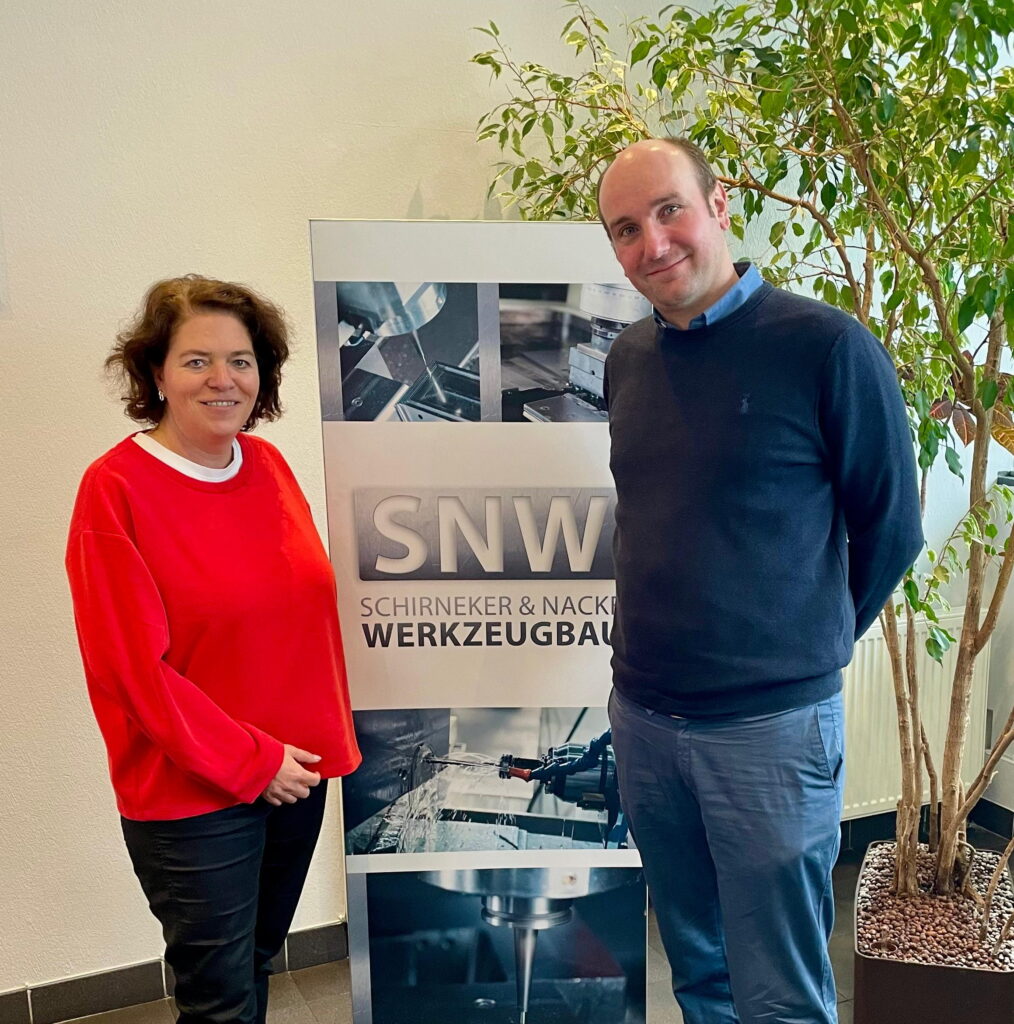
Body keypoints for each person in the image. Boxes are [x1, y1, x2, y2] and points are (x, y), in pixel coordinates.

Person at [599, 139, 923, 1024]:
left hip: (771, 733)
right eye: (625, 229)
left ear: (720, 205)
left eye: (669, 210)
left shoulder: (827, 347)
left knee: (780, 992)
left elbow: (892, 528)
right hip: (645, 721)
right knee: (699, 969)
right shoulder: (627, 358)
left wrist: (800, 646)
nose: (652, 243)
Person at [66, 275, 361, 1024]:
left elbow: (297, 616)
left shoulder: (266, 466)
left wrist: (303, 754)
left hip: (296, 776)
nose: (222, 379)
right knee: (220, 1001)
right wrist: (254, 761)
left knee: (255, 965)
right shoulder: (115, 490)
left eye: (241, 360)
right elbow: (132, 671)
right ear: (156, 372)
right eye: (196, 360)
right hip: (195, 794)